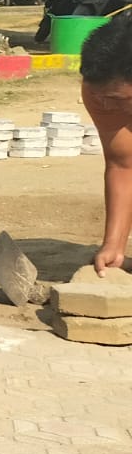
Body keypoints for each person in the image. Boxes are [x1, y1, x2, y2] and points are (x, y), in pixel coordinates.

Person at [80, 14, 132, 274]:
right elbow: (124, 165)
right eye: (101, 97)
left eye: (118, 99)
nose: (107, 106)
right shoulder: (99, 93)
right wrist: (114, 246)